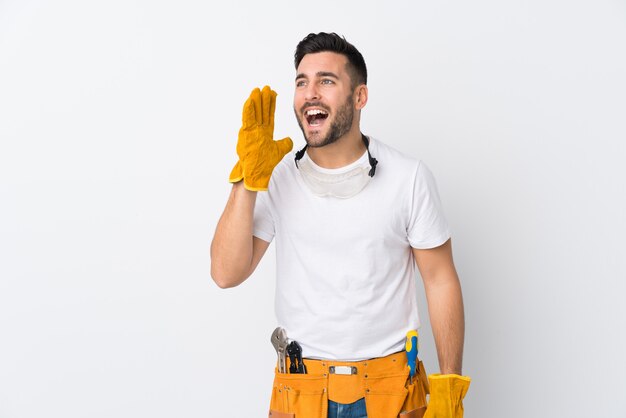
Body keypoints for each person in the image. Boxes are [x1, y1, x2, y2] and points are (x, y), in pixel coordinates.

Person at [211, 32, 470, 418]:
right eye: (302, 81)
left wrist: (449, 386)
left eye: (326, 81)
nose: (310, 92)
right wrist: (247, 181)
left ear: (359, 97)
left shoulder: (408, 177)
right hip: (300, 388)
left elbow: (440, 280)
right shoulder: (276, 177)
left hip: (392, 390)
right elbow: (225, 274)